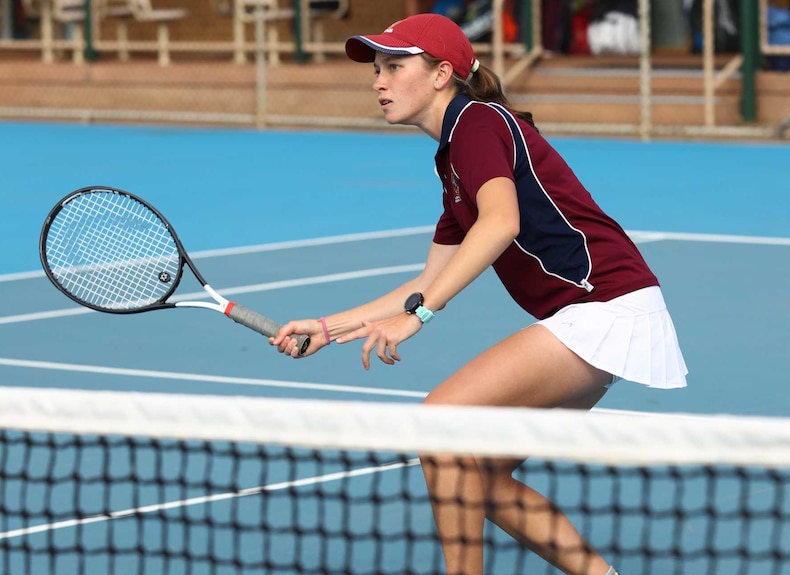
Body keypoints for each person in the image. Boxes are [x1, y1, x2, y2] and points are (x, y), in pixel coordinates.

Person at [271, 12, 687, 575]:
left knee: (440, 423)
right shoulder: (453, 159)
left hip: (604, 305)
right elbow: (425, 280)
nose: (379, 81)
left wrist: (420, 317)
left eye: (395, 66)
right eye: (376, 68)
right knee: (477, 475)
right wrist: (327, 328)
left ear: (442, 73)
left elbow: (499, 225)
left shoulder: (476, 124)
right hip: (602, 311)